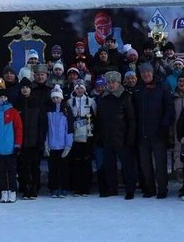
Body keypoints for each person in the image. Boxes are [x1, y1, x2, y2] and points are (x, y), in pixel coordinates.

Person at [133, 62, 174, 199]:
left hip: (158, 132)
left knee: (160, 163)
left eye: (148, 72)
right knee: (145, 163)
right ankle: (149, 188)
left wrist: (164, 125)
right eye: (143, 72)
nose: (145, 74)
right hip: (142, 133)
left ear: (152, 72)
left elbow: (169, 107)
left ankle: (162, 188)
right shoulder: (138, 88)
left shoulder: (162, 86)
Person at [96, 70, 137, 199]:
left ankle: (130, 189)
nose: (111, 85)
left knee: (127, 165)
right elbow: (99, 118)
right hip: (107, 137)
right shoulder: (103, 97)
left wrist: (130, 137)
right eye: (109, 82)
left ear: (119, 83)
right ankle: (111, 188)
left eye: (114, 82)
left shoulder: (126, 96)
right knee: (109, 165)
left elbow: (131, 118)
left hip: (122, 138)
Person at [0, 88, 23, 203]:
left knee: (12, 172)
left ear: (7, 98)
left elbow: (18, 130)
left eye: (4, 97)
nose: (2, 99)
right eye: (0, 97)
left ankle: (12, 192)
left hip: (10, 149)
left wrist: (17, 145)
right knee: (1, 173)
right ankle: (3, 192)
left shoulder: (13, 112)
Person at [13, 77, 44, 199]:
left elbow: (42, 122)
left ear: (30, 89)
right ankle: (25, 187)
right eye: (23, 88)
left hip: (35, 140)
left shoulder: (37, 102)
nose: (25, 90)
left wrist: (41, 139)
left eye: (27, 87)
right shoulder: (17, 103)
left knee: (35, 166)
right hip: (22, 141)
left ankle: (35, 188)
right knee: (23, 166)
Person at [43, 85, 74, 197]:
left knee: (64, 169)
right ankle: (54, 188)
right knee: (53, 169)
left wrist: (68, 145)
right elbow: (46, 129)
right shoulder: (48, 112)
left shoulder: (66, 111)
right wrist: (46, 144)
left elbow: (69, 129)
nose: (56, 100)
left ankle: (64, 187)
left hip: (63, 145)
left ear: (61, 98)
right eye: (54, 98)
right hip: (52, 145)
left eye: (58, 98)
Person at [67, 79, 96, 197]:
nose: (79, 90)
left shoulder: (91, 101)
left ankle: (86, 186)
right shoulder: (69, 101)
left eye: (81, 88)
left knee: (86, 159)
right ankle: (76, 186)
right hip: (75, 134)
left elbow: (95, 116)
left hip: (87, 134)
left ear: (85, 89)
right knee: (76, 160)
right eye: (77, 88)